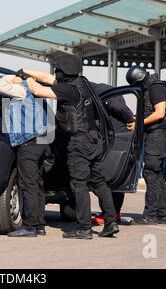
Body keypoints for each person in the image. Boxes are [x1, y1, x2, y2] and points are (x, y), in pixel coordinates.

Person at [22, 54, 120, 239]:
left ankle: (84, 228)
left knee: (78, 184)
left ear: (63, 72)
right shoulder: (84, 84)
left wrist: (24, 78)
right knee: (99, 182)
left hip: (79, 142)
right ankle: (110, 222)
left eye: (57, 70)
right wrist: (26, 70)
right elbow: (45, 78)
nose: (55, 74)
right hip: (93, 140)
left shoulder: (67, 90)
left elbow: (36, 89)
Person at [0, 72, 50, 237]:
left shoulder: (23, 89)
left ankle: (29, 226)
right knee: (37, 184)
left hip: (28, 142)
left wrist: (11, 77)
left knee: (28, 184)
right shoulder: (38, 92)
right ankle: (39, 225)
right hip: (41, 141)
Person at [126, 66, 166, 225]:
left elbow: (159, 113)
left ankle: (150, 215)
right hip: (156, 134)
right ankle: (163, 215)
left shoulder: (156, 87)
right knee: (156, 174)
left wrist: (138, 123)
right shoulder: (150, 88)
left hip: (158, 135)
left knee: (151, 173)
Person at [88, 81, 135, 225]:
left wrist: (129, 118)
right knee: (114, 178)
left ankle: (110, 214)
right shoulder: (97, 90)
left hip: (114, 138)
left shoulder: (100, 90)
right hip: (115, 137)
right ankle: (114, 213)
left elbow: (117, 106)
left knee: (104, 177)